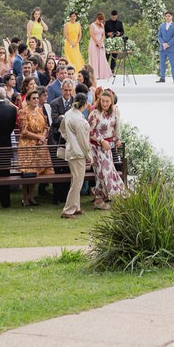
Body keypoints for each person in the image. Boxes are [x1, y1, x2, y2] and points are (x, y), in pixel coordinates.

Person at [88, 87, 125, 209]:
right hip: (96, 146)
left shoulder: (115, 111)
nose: (104, 104)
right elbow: (89, 131)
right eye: (102, 101)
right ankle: (103, 197)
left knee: (108, 171)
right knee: (102, 172)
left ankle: (101, 198)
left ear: (111, 102)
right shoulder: (95, 113)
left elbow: (117, 126)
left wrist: (117, 138)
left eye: (107, 101)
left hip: (108, 147)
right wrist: (101, 140)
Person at [16, 86, 52, 207]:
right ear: (28, 100)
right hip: (27, 146)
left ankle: (31, 196)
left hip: (40, 145)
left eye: (37, 98)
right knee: (27, 172)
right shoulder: (23, 112)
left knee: (36, 172)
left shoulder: (40, 110)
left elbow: (46, 127)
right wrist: (39, 137)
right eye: (33, 98)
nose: (36, 100)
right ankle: (25, 197)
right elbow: (24, 131)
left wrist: (43, 137)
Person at [60, 87, 92, 218]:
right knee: (77, 182)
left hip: (71, 150)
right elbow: (83, 140)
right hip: (78, 153)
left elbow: (62, 129)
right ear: (84, 104)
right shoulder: (79, 119)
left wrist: (69, 139)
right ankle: (68, 210)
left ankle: (76, 206)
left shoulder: (68, 113)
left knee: (76, 180)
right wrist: (89, 155)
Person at [88, 12, 111, 81]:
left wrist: (100, 42)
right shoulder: (92, 25)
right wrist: (97, 42)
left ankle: (102, 74)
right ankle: (95, 74)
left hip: (101, 43)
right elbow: (92, 35)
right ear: (97, 18)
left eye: (101, 21)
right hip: (94, 42)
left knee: (101, 57)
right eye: (99, 20)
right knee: (94, 58)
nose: (100, 22)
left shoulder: (102, 25)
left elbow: (103, 35)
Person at [157, 11, 174, 82]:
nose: (167, 17)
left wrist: (168, 44)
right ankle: (162, 78)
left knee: (173, 64)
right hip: (162, 48)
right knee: (162, 64)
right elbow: (159, 36)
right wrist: (163, 44)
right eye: (166, 16)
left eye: (169, 16)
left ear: (171, 17)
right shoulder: (162, 26)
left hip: (171, 48)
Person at [104, 10, 125, 77]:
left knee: (114, 57)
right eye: (113, 17)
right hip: (108, 41)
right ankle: (105, 71)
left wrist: (119, 33)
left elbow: (122, 32)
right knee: (106, 57)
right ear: (111, 16)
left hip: (116, 42)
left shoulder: (120, 23)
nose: (114, 18)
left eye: (115, 17)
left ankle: (112, 71)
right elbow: (103, 32)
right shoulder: (107, 23)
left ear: (116, 16)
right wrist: (108, 34)